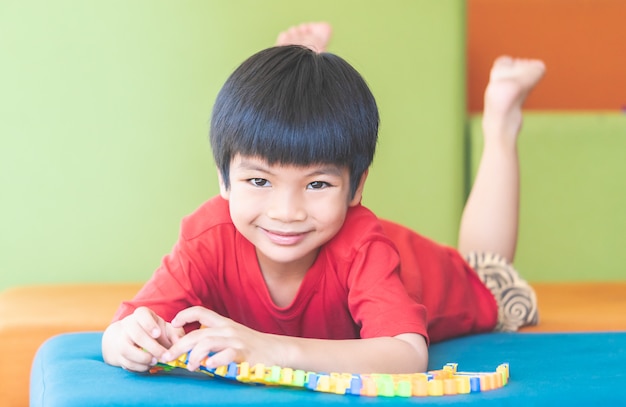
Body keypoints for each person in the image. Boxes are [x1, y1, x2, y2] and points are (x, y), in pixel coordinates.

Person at [101, 22, 545, 375]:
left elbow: (408, 356)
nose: (286, 212)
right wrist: (127, 340)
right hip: (351, 247)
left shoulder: (361, 247)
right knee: (290, 152)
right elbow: (120, 328)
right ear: (223, 179)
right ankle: (296, 100)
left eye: (317, 184)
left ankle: (501, 120)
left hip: (439, 277)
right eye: (259, 181)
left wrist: (270, 349)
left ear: (358, 186)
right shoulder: (206, 238)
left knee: (487, 267)